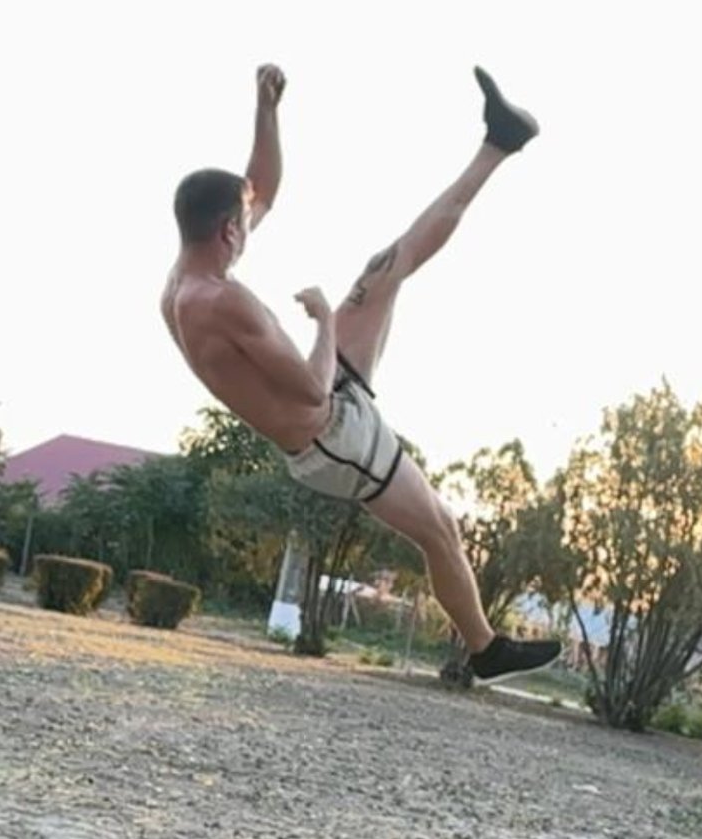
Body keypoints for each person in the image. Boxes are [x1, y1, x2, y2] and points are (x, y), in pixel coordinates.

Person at [162, 64, 561, 681]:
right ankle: (486, 649)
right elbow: (308, 386)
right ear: (226, 232)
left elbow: (259, 188)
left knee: (388, 264)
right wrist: (323, 320)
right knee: (440, 529)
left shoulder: (185, 282)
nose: (252, 225)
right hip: (332, 438)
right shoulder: (222, 303)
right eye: (244, 225)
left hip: (329, 401)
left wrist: (266, 109)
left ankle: (500, 141)